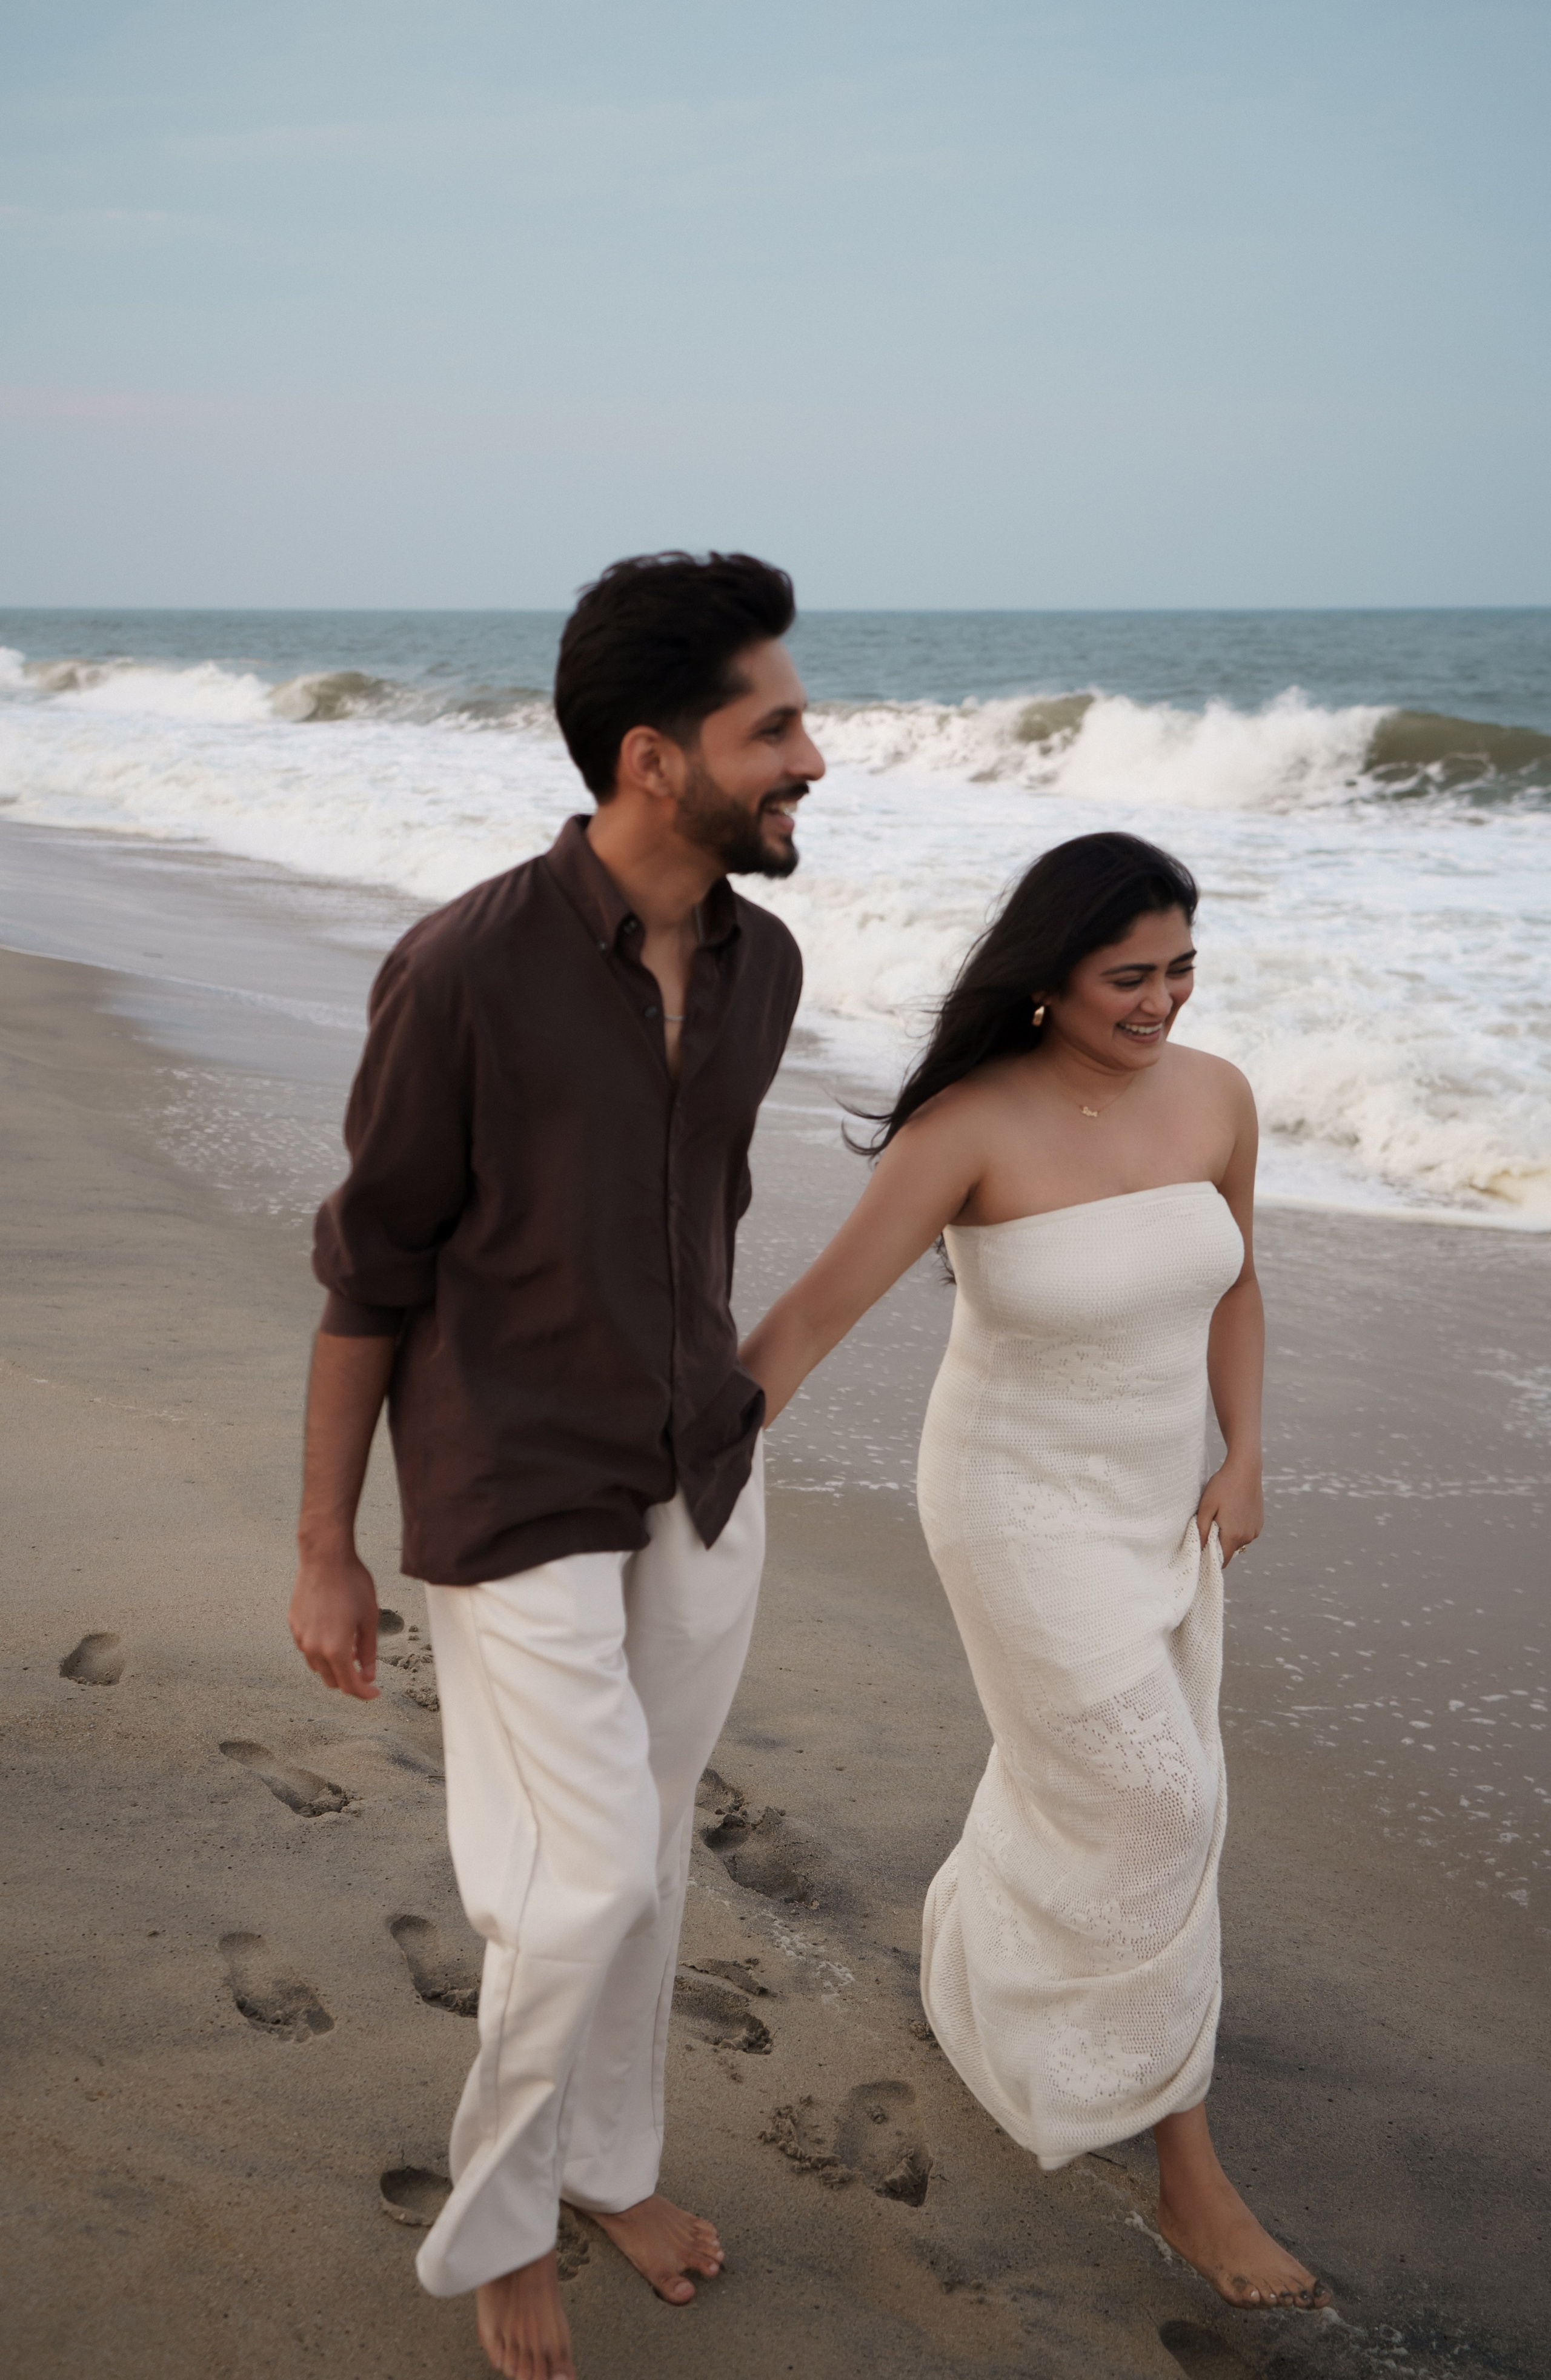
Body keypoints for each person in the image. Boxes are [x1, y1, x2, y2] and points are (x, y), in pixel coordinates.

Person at [288, 551, 824, 2380]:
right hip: (510, 1481)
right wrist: (325, 1547)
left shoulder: (767, 967)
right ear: (654, 757)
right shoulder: (463, 970)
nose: (811, 758)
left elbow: (709, 1217)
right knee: (579, 1876)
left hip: (697, 1473)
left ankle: (606, 2164)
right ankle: (503, 2223)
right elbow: (372, 1269)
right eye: (776, 726)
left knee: (649, 1860)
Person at [740, 831, 1332, 2314]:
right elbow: (810, 1318)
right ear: (1044, 978)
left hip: (1157, 1502)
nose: (1162, 1002)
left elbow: (1236, 1278)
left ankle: (975, 1966)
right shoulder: (968, 1125)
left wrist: (1242, 1450)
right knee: (1160, 1799)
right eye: (1126, 976)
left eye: (1181, 966)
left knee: (1117, 1778)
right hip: (1013, 1509)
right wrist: (675, 1457)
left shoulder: (1215, 1096)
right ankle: (1186, 2172)